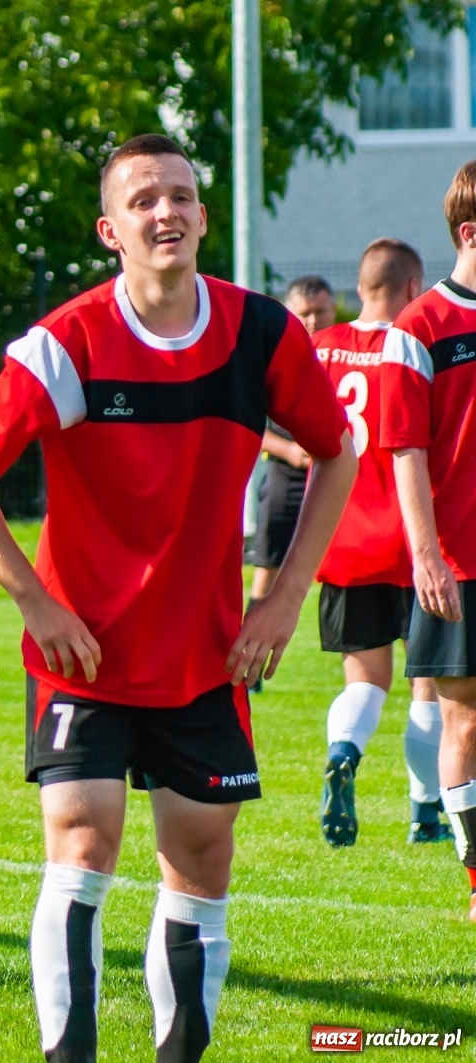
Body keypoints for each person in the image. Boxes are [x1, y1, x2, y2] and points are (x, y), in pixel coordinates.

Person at [0, 134, 355, 1063]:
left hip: (207, 656)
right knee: (84, 842)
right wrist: (37, 604)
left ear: (204, 217)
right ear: (110, 230)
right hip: (81, 654)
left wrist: (285, 599)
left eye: (181, 196)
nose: (166, 212)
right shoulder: (68, 342)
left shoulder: (261, 335)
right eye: (143, 200)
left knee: (200, 857)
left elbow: (337, 451)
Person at [310, 239, 450, 847]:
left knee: (364, 680)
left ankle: (344, 749)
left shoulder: (319, 349)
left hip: (342, 541)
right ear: (413, 285)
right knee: (431, 685)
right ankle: (425, 814)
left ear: (360, 287)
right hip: (414, 540)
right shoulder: (413, 346)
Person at [381, 159, 476, 922]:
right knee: (464, 719)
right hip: (461, 563)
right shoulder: (419, 331)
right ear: (468, 234)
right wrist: (427, 555)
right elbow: (404, 450)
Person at [248, 277, 336, 614]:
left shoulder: (344, 352)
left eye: (320, 312)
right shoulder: (270, 355)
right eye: (304, 314)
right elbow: (249, 425)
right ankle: (246, 660)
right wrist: (288, 452)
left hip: (336, 472)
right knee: (266, 567)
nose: (313, 321)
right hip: (287, 470)